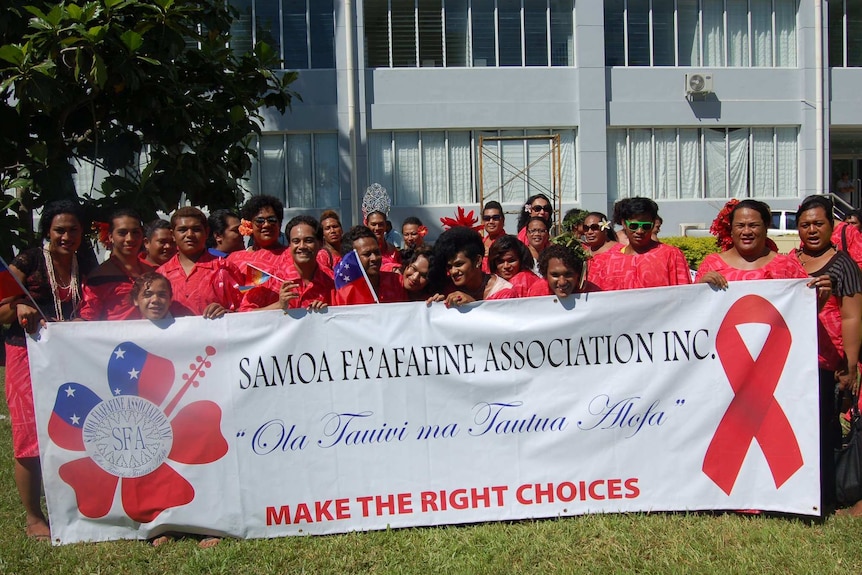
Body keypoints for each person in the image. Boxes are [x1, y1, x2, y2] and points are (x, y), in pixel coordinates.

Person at [696, 198, 835, 514]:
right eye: (740, 225)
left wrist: (818, 298)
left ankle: (776, 495)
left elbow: (799, 316)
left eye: (753, 225)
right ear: (729, 229)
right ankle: (727, 495)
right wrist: (699, 288)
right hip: (726, 373)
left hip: (774, 374)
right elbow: (697, 318)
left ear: (766, 227)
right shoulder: (711, 265)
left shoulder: (786, 265)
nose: (747, 231)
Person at [0, 200, 96, 541]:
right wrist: (19, 304)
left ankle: (75, 502)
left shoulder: (85, 260)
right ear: (48, 232)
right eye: (59, 230)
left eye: (73, 229)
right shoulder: (28, 260)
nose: (66, 236)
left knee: (75, 428)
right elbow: (2, 310)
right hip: (25, 355)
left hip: (68, 356)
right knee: (29, 434)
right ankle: (32, 515)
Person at [589, 197, 690, 291]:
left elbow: (684, 295)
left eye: (646, 226)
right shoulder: (606, 261)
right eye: (634, 226)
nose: (640, 231)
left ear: (653, 224)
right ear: (624, 224)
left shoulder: (671, 255)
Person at [157, 207, 241, 318]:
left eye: (196, 229)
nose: (190, 235)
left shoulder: (225, 268)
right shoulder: (160, 275)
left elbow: (245, 309)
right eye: (182, 230)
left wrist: (226, 313)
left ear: (206, 232)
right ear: (173, 235)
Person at [241, 216, 333, 312]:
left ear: (320, 244)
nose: (302, 246)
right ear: (289, 245)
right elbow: (243, 314)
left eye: (308, 241)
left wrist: (328, 311)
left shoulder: (331, 281)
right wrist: (279, 305)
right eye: (296, 241)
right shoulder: (270, 279)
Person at [79, 209, 153, 321]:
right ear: (110, 237)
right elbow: (88, 317)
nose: (130, 239)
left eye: (135, 232)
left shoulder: (153, 272)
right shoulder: (98, 278)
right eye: (122, 233)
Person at [427, 226, 516, 307]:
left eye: (459, 264)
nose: (453, 271)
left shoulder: (504, 292)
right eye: (449, 266)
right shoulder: (448, 288)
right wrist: (438, 305)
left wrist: (474, 305)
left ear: (477, 260)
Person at [334, 225, 407, 305]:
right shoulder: (344, 293)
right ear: (353, 259)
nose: (374, 258)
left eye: (377, 252)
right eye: (367, 254)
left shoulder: (397, 282)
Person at [228, 195, 291, 282]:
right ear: (249, 225)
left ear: (279, 224)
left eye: (271, 220)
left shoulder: (292, 256)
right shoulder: (234, 259)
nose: (266, 225)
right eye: (260, 221)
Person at [527, 244, 598, 297]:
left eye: (568, 274)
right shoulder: (536, 293)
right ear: (545, 274)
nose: (562, 282)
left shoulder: (593, 293)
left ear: (578, 274)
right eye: (555, 275)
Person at [362, 184, 401, 272]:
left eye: (381, 224)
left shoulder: (393, 250)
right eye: (373, 224)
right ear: (367, 224)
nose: (377, 228)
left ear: (386, 225)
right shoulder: (360, 249)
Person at [481, 201, 506, 271]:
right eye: (487, 218)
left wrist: (492, 254)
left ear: (503, 220)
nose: (491, 221)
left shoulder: (509, 242)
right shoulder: (480, 242)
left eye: (495, 218)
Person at [317, 209, 343, 274]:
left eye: (335, 226)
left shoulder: (347, 251)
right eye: (327, 228)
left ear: (341, 230)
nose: (332, 231)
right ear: (322, 234)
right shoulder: (322, 256)